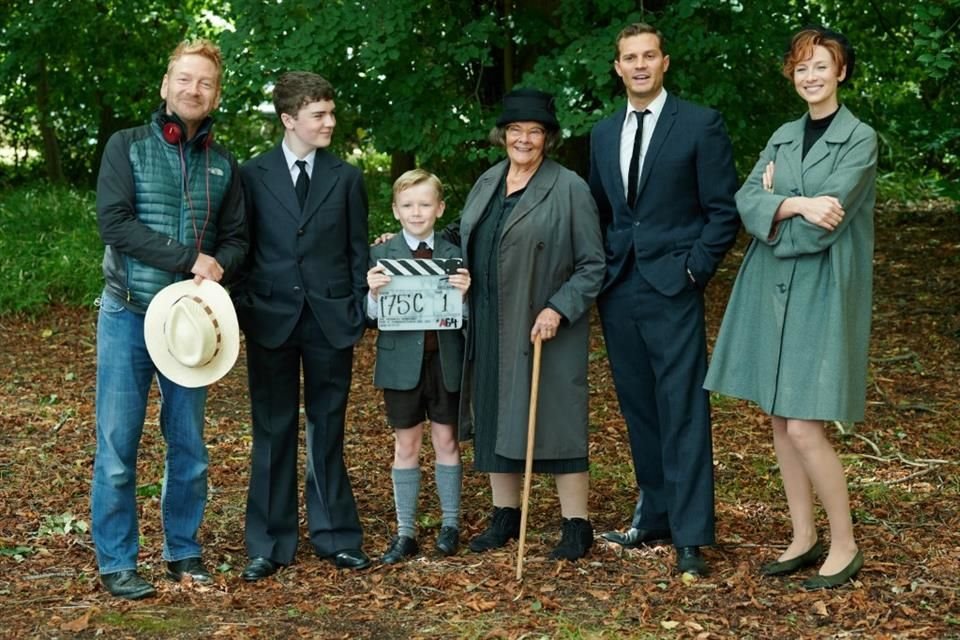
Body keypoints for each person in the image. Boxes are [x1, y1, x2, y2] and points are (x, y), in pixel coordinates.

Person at [704, 27, 875, 589]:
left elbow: (827, 227)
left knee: (805, 423)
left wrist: (775, 219)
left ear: (841, 71)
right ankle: (803, 536)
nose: (811, 76)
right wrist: (795, 203)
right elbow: (746, 201)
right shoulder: (782, 135)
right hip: (771, 292)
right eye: (802, 67)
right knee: (779, 417)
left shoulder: (860, 139)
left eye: (821, 66)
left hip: (823, 289)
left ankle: (844, 543)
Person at [92, 38, 247, 600]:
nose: (193, 89)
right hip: (128, 313)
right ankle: (117, 560)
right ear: (165, 85)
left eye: (204, 82)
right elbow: (114, 222)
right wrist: (187, 258)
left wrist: (220, 264)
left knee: (189, 447)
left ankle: (184, 551)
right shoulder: (125, 146)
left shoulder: (225, 164)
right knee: (117, 445)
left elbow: (236, 239)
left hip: (191, 327)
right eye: (184, 79)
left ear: (216, 95)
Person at [587, 23, 740, 576]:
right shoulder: (603, 134)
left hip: (673, 286)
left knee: (683, 409)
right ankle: (654, 514)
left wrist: (693, 271)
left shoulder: (699, 124)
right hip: (619, 287)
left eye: (649, 55)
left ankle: (692, 536)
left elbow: (723, 211)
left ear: (665, 62)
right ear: (618, 67)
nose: (640, 65)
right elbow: (603, 214)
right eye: (630, 57)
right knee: (639, 408)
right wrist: (602, 269)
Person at [457, 88, 605, 561]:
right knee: (495, 413)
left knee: (555, 420)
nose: (524, 139)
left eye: (535, 131)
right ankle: (505, 514)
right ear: (503, 135)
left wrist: (558, 307)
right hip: (488, 318)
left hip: (541, 321)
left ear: (548, 138)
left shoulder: (569, 188)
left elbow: (593, 264)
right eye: (516, 130)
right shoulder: (487, 182)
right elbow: (466, 235)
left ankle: (576, 524)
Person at [234, 71, 371, 581]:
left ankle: (336, 536)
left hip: (331, 320)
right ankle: (267, 543)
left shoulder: (347, 178)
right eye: (319, 115)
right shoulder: (252, 175)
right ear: (289, 119)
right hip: (269, 319)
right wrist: (247, 307)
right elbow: (241, 248)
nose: (329, 122)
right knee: (271, 431)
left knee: (327, 429)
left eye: (331, 113)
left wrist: (357, 310)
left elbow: (358, 253)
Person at [366, 169, 471, 563]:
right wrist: (373, 294)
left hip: (445, 360)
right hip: (400, 363)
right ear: (395, 210)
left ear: (440, 208)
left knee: (447, 441)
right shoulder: (380, 253)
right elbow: (371, 316)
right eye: (408, 205)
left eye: (425, 204)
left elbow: (466, 316)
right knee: (405, 444)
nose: (416, 212)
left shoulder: (454, 253)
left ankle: (450, 525)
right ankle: (405, 530)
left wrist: (464, 296)